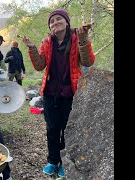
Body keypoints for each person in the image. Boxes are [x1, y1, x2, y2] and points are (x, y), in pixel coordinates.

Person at [22, 9, 95, 177]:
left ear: (67, 21)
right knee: (52, 129)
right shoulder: (47, 42)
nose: (55, 22)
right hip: (50, 93)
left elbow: (88, 62)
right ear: (50, 26)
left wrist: (83, 40)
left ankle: (64, 161)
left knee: (67, 129)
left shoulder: (77, 38)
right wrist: (32, 48)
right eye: (52, 21)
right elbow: (40, 66)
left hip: (71, 93)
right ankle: (53, 160)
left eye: (58, 19)